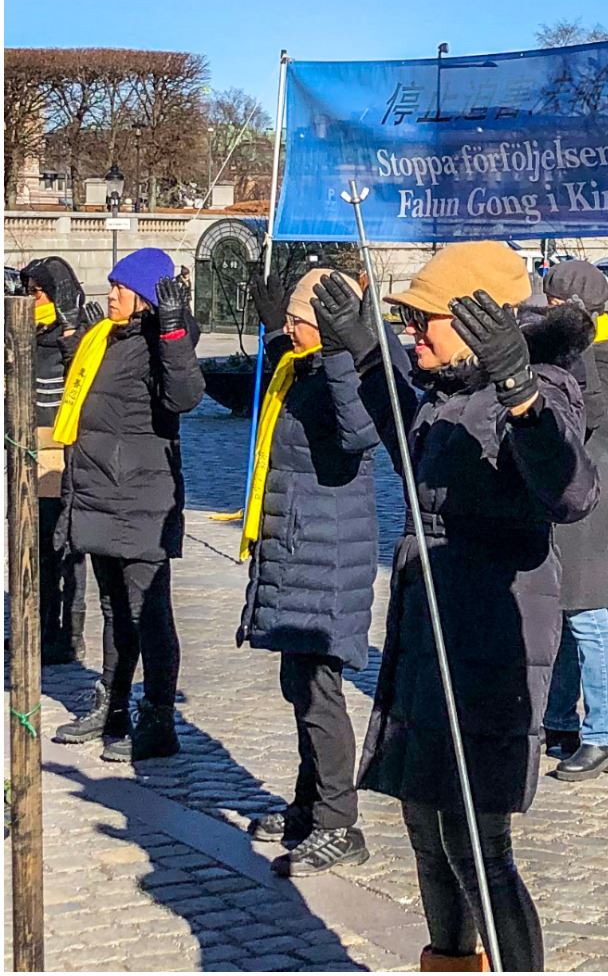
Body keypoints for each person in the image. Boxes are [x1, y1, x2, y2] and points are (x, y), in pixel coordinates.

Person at [309, 241, 599, 972]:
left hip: (491, 634)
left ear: (476, 320)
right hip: (430, 623)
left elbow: (570, 492)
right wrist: (369, 354)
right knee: (424, 821)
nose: (415, 333)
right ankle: (447, 960)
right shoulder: (447, 391)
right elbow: (408, 447)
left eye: (425, 320)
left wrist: (522, 394)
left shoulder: (543, 385)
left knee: (477, 840)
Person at [238, 268, 379, 876]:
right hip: (298, 551)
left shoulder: (339, 372)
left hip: (327, 555)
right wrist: (276, 332)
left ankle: (338, 822)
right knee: (299, 688)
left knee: (321, 694)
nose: (291, 329)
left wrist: (345, 355)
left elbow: (359, 433)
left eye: (299, 320)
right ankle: (307, 804)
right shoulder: (301, 368)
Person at [53, 248, 205, 762]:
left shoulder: (162, 343)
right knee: (113, 608)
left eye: (121, 288)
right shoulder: (109, 339)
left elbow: (184, 394)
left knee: (149, 612)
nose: (110, 293)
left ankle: (158, 719)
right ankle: (112, 703)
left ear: (145, 298)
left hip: (140, 498)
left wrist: (173, 330)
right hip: (99, 494)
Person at [538, 261, 608, 780]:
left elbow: (590, 414)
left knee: (587, 613)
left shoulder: (603, 352)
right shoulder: (575, 348)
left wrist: (569, 353)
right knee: (564, 608)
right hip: (566, 480)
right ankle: (558, 718)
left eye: (554, 308)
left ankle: (602, 732)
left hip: (591, 484)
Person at [21, 257, 98, 666]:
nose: (31, 300)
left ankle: (69, 632)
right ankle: (43, 625)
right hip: (30, 454)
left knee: (64, 547)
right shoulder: (24, 331)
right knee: (37, 547)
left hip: (63, 453)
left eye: (36, 293)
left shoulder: (75, 331)